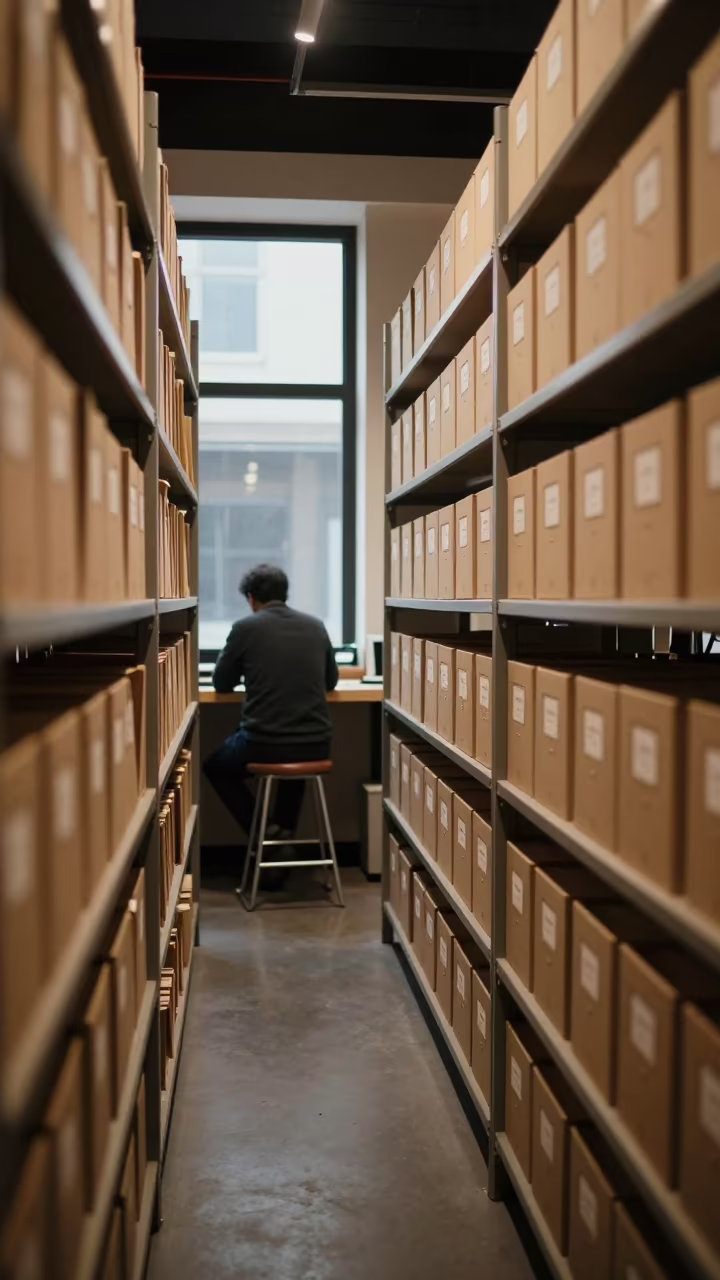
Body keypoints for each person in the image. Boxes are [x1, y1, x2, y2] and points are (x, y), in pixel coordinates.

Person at [203, 563, 338, 849]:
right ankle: (281, 844)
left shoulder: (245, 628)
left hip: (263, 742)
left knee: (216, 767)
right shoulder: (316, 626)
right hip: (316, 743)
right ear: (285, 594)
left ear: (251, 598)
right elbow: (331, 681)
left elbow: (221, 684)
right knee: (294, 761)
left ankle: (265, 832)